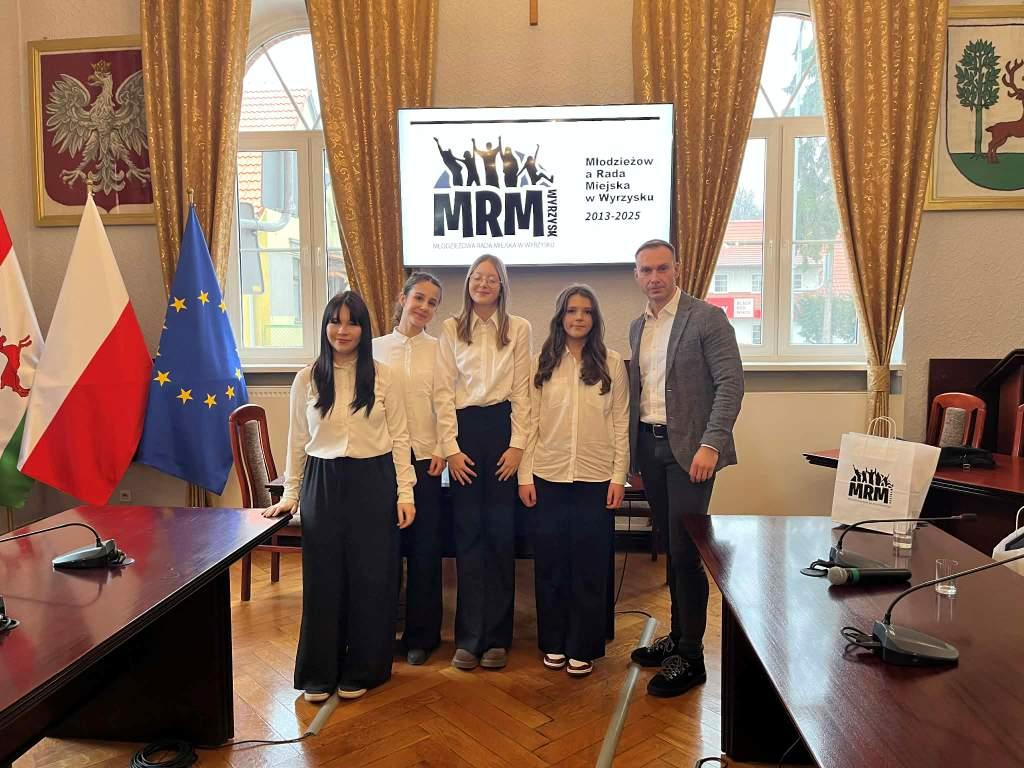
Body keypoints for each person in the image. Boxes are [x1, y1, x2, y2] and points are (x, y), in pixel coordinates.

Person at [263, 291, 416, 703]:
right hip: (323, 482)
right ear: (325, 326)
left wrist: (406, 492)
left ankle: (364, 667)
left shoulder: (384, 376)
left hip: (374, 480)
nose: (342, 330)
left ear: (364, 329)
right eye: (335, 321)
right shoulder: (308, 378)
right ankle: (319, 671)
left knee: (371, 577)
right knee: (323, 579)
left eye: (352, 322)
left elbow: (401, 438)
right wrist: (291, 494)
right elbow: (297, 440)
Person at [627, 239, 743, 698]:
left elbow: (731, 384)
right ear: (636, 275)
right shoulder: (638, 326)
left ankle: (691, 657)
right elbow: (641, 394)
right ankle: (677, 637)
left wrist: (711, 444)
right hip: (650, 448)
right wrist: (634, 459)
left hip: (693, 454)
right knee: (669, 546)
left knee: (685, 551)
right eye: (646, 270)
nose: (654, 277)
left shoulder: (707, 318)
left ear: (678, 269)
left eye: (662, 268)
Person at [518, 285, 628, 677]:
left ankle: (583, 645)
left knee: (589, 564)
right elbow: (529, 422)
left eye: (586, 311)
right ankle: (554, 640)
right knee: (551, 563)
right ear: (560, 317)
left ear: (594, 319)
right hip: (547, 474)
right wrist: (524, 475)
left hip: (596, 477)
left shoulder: (611, 363)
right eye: (571, 311)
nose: (578, 317)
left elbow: (620, 423)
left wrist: (619, 477)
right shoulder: (540, 363)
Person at [434, 253, 532, 671]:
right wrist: (451, 448)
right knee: (469, 534)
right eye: (477, 277)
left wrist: (518, 445)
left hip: (503, 430)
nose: (484, 283)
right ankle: (469, 638)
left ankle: (496, 638)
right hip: (465, 433)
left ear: (502, 285)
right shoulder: (451, 328)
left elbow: (523, 392)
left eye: (492, 278)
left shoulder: (519, 328)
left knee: (500, 534)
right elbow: (442, 392)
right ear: (468, 283)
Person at [373, 273, 445, 666]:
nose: (424, 307)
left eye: (432, 302)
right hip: (382, 461)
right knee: (384, 552)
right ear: (403, 298)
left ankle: (422, 636)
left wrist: (443, 449)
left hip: (427, 461)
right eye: (419, 298)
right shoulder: (374, 349)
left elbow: (447, 404)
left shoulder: (440, 350)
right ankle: (379, 633)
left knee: (424, 550)